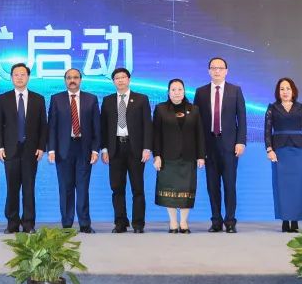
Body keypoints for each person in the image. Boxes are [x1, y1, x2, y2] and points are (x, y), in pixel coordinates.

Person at [193, 57, 247, 233]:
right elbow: (196, 122)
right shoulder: (201, 92)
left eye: (220, 68)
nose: (217, 71)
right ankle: (216, 220)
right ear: (209, 70)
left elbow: (242, 118)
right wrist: (199, 148)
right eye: (213, 68)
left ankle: (230, 221)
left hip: (230, 146)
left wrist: (241, 141)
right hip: (209, 145)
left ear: (226, 71)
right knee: (212, 186)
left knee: (230, 185)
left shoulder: (235, 90)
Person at [0, 62, 48, 234]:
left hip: (31, 151)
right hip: (10, 150)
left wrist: (41, 147)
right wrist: (0, 147)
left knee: (28, 188)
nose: (19, 78)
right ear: (11, 78)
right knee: (12, 188)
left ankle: (28, 224)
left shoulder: (38, 99)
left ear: (28, 77)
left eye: (22, 74)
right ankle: (12, 223)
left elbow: (43, 125)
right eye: (16, 75)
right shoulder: (3, 98)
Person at [46, 68, 100, 233]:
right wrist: (51, 149)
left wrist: (95, 150)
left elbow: (96, 127)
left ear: (80, 80)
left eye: (75, 77)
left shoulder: (91, 99)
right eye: (69, 77)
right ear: (65, 80)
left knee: (83, 188)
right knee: (65, 188)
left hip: (84, 149)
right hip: (63, 150)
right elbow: (52, 126)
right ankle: (67, 224)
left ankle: (84, 223)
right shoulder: (56, 99)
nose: (72, 80)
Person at [100, 67, 152, 234]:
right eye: (117, 78)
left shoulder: (141, 99)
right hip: (115, 148)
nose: (120, 80)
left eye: (123, 77)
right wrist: (104, 149)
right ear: (113, 81)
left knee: (138, 188)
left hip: (135, 148)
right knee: (117, 188)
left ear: (129, 79)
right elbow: (103, 127)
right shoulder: (107, 100)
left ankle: (138, 223)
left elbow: (147, 125)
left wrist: (147, 147)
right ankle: (120, 223)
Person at [152, 79, 206, 233]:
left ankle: (183, 222)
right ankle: (173, 222)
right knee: (169, 191)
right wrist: (157, 156)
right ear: (168, 92)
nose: (177, 92)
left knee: (186, 190)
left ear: (184, 91)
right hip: (167, 157)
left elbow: (200, 134)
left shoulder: (194, 109)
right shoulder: (161, 109)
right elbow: (156, 134)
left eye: (180, 89)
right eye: (173, 89)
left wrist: (201, 156)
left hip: (189, 157)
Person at [264, 78, 302, 233]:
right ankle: (285, 220)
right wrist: (269, 149)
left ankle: (295, 221)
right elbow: (267, 131)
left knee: (298, 186)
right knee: (281, 186)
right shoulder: (272, 108)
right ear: (277, 92)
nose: (285, 92)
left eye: (288, 88)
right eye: (282, 89)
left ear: (293, 91)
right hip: (279, 151)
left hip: (298, 150)